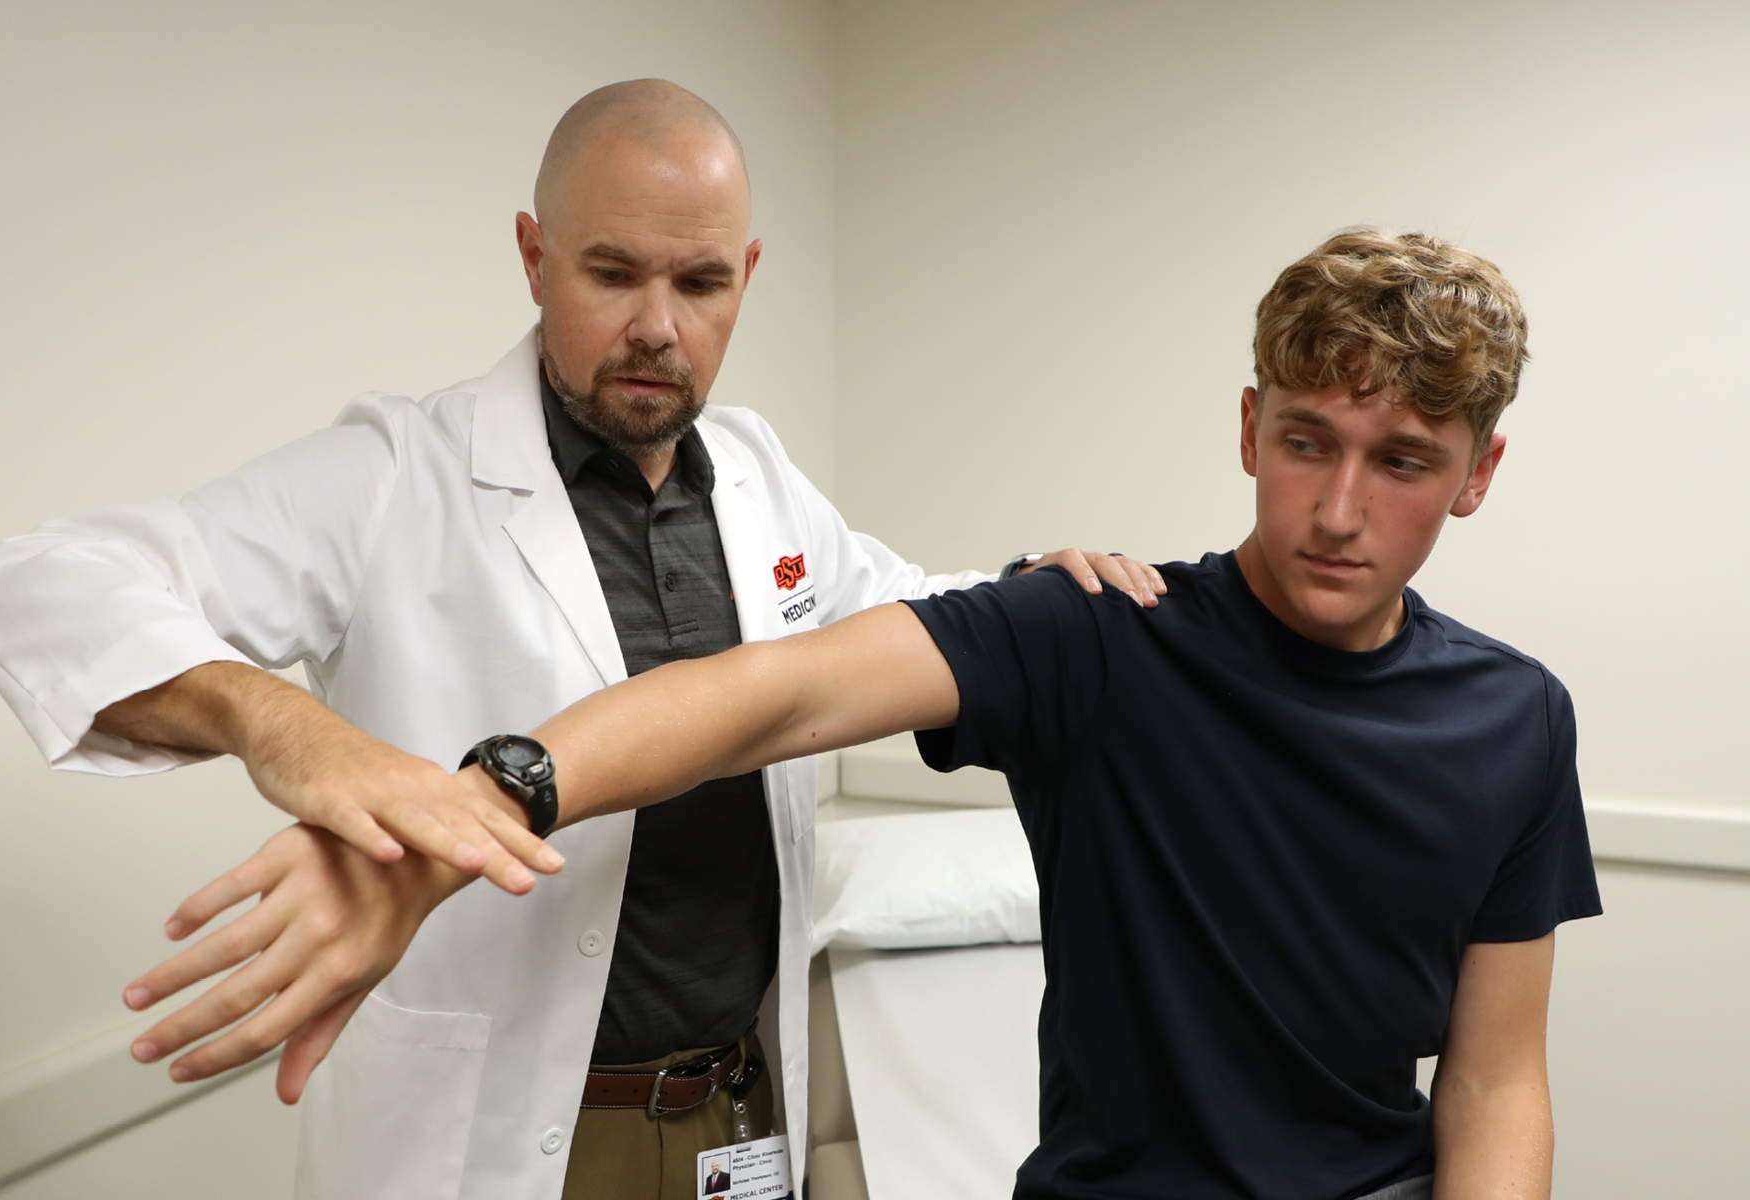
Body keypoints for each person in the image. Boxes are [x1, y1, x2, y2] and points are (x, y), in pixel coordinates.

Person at [112, 228, 1602, 1200]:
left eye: (1403, 462)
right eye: (1304, 443)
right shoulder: (1100, 640)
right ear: (1247, 428)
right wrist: (475, 809)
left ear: (1477, 474)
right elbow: (768, 694)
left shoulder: (1516, 720)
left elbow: (1492, 1074)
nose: (1339, 509)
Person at [0, 79, 1162, 1200]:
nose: (656, 327)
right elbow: (41, 583)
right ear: (534, 259)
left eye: (699, 284)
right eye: (611, 273)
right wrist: (291, 732)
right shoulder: (395, 477)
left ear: (746, 275)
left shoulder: (760, 481)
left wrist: (1039, 586)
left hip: (740, 1111)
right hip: (502, 1140)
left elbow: (900, 610)